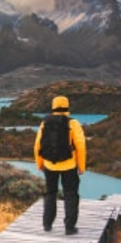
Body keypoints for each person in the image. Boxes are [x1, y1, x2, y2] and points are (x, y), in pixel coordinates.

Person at [34, 95, 87, 235]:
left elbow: (38, 145)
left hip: (49, 165)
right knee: (71, 194)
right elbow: (80, 146)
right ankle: (69, 227)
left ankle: (47, 224)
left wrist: (39, 163)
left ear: (53, 106)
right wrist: (81, 166)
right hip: (69, 165)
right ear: (67, 106)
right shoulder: (73, 123)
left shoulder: (45, 122)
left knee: (50, 193)